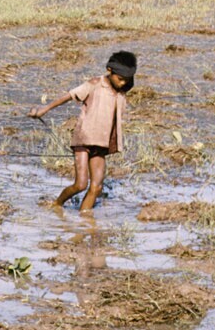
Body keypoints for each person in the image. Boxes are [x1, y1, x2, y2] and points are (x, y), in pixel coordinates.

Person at [30, 49, 136, 211]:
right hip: (84, 139)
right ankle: (57, 205)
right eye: (120, 79)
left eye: (126, 80)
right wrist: (44, 109)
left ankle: (85, 216)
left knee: (97, 187)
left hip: (102, 143)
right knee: (80, 184)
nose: (123, 83)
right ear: (109, 70)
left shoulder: (122, 92)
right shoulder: (95, 84)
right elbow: (69, 95)